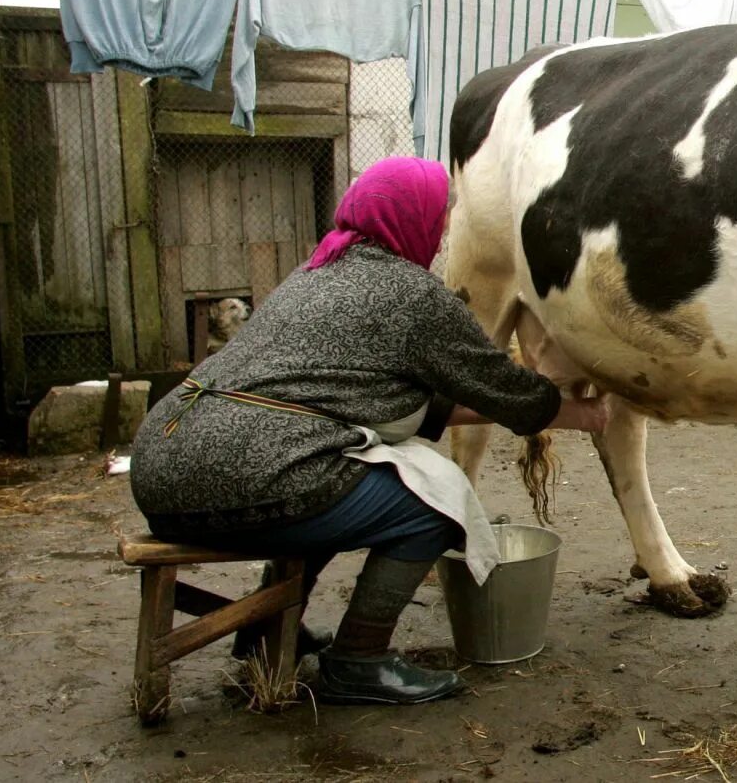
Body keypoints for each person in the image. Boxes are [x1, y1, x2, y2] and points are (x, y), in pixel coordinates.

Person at [129, 156, 605, 706]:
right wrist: (586, 411)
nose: (445, 228)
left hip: (161, 468)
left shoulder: (312, 273)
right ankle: (359, 658)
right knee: (433, 504)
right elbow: (505, 390)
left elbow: (396, 402)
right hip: (247, 476)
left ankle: (265, 631)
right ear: (414, 220)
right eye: (442, 216)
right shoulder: (412, 295)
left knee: (331, 482)